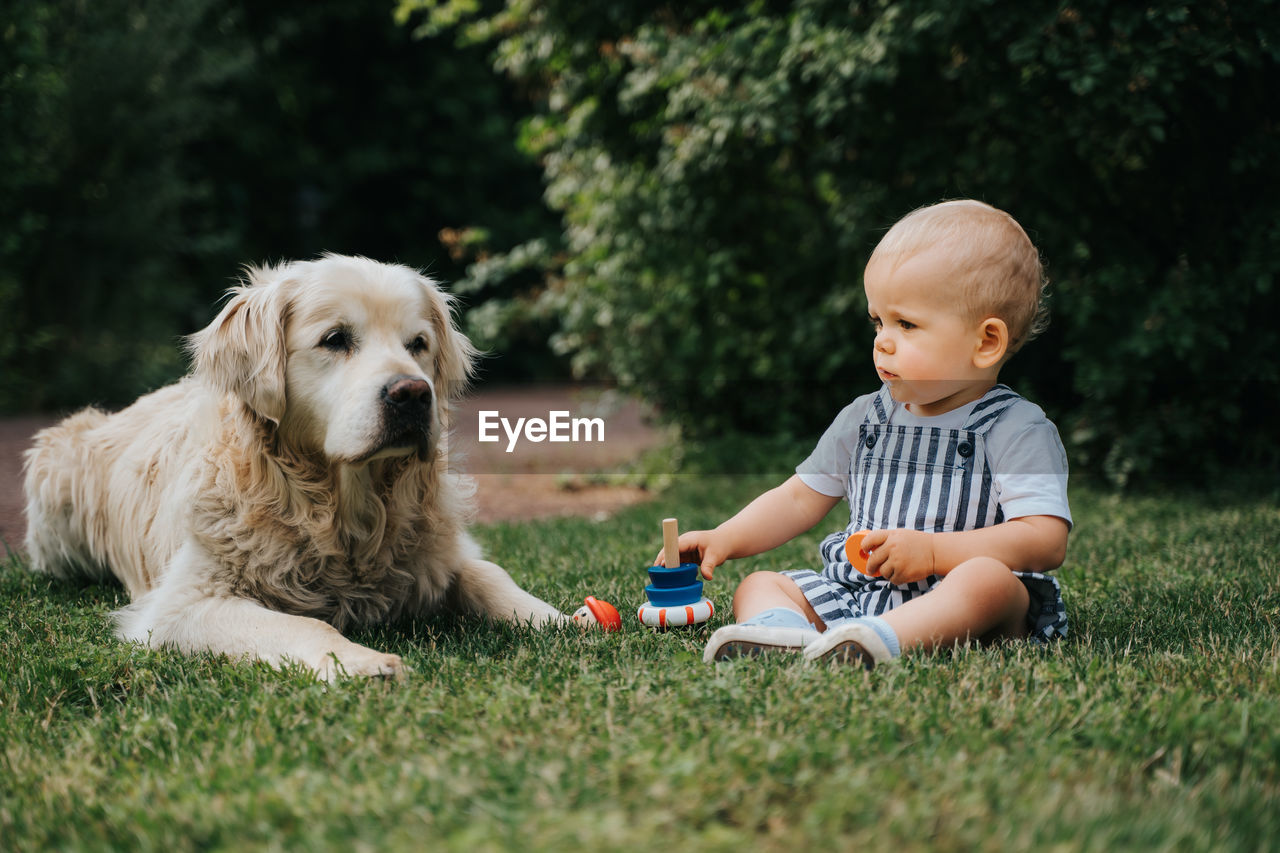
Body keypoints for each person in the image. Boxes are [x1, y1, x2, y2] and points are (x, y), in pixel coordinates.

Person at [658, 200, 1072, 668]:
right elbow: (799, 498)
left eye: (907, 324)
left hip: (963, 598)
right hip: (862, 592)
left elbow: (1044, 539)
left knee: (987, 582)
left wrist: (935, 552)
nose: (882, 340)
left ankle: (884, 640)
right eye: (878, 321)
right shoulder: (865, 419)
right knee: (761, 584)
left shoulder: (1016, 428)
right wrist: (725, 537)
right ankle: (788, 637)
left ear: (986, 342)